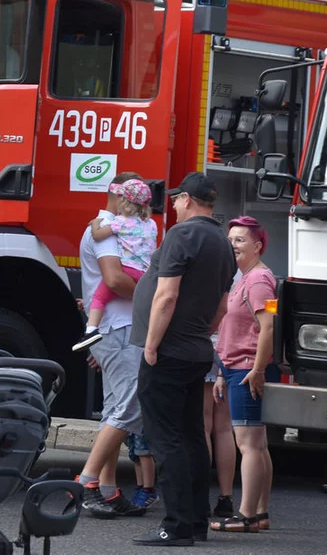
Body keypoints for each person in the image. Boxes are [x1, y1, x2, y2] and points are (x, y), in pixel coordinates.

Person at [129, 172, 236, 546]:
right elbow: (222, 306)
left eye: (176, 199)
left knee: (165, 438)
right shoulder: (222, 242)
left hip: (170, 350)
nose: (172, 204)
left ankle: (173, 526)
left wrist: (152, 345)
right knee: (192, 435)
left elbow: (166, 296)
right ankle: (195, 522)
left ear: (189, 200)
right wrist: (198, 331)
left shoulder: (183, 235)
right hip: (196, 350)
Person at [74, 172, 153, 519]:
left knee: (114, 410)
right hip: (120, 328)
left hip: (113, 327)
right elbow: (115, 279)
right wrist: (156, 299)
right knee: (126, 409)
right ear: (118, 196)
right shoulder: (109, 225)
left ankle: (106, 489)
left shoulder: (110, 223)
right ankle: (88, 481)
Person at [211, 216, 281, 533]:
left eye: (240, 240)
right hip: (237, 369)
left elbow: (268, 327)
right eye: (231, 240)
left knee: (249, 446)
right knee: (259, 444)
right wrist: (224, 373)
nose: (233, 245)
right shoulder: (247, 277)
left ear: (258, 245)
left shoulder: (257, 281)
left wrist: (256, 369)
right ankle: (260, 513)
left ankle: (246, 516)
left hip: (247, 369)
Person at [74, 178, 158, 353]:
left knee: (99, 297)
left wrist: (96, 223)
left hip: (126, 274)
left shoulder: (119, 222)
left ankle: (90, 331)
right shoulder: (151, 224)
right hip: (144, 273)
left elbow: (114, 279)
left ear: (123, 200)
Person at [204, 330, 237, 519]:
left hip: (205, 347)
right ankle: (226, 498)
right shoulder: (230, 297)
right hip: (228, 349)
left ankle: (202, 498)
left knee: (203, 427)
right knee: (224, 429)